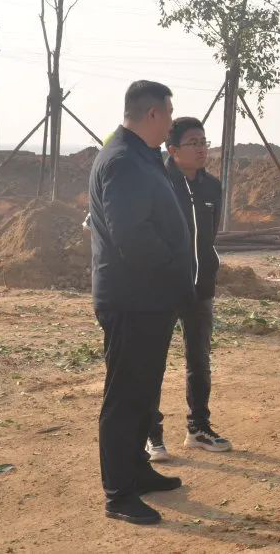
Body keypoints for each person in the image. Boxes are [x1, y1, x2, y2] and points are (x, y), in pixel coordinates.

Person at [88, 80, 195, 525]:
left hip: (150, 298)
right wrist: (173, 268)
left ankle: (136, 470)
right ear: (152, 113)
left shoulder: (139, 155)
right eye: (168, 113)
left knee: (142, 393)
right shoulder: (122, 161)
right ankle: (118, 493)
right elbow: (132, 237)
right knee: (125, 396)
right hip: (133, 298)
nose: (171, 121)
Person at [146, 117, 231, 462]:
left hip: (201, 287)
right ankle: (151, 434)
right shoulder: (158, 182)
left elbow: (209, 235)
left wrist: (206, 269)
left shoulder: (212, 186)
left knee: (199, 360)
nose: (201, 149)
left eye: (203, 142)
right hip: (162, 289)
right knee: (153, 362)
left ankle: (198, 428)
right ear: (172, 149)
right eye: (193, 143)